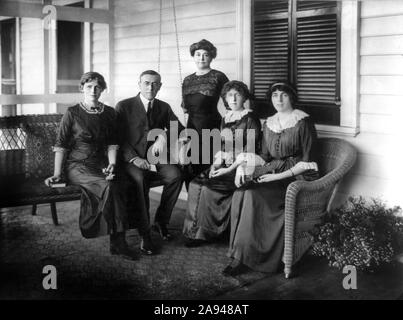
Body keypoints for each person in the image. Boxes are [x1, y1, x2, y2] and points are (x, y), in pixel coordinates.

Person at [224, 82, 319, 277]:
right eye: (275, 95)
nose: (279, 99)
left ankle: (251, 258)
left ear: (291, 97)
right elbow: (265, 157)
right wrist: (243, 165)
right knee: (241, 192)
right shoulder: (269, 122)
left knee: (252, 196)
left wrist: (276, 176)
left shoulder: (303, 122)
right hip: (273, 171)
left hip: (296, 177)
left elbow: (309, 161)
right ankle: (239, 254)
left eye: (283, 95)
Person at [44, 71, 137, 260]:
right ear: (82, 88)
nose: (93, 90)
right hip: (78, 166)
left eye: (97, 87)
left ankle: (120, 240)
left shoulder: (110, 113)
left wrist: (112, 164)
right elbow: (61, 145)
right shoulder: (72, 113)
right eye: (89, 86)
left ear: (102, 89)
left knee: (122, 183)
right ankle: (119, 242)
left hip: (102, 164)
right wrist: (56, 173)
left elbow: (112, 143)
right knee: (109, 186)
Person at [182, 81, 261, 247]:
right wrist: (215, 165)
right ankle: (195, 232)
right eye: (229, 95)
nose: (233, 98)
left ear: (244, 97)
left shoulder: (251, 119)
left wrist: (227, 167)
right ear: (225, 97)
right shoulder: (226, 118)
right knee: (196, 183)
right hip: (226, 164)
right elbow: (223, 146)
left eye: (237, 94)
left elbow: (251, 150)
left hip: (242, 166)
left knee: (208, 188)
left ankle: (210, 232)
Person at [116, 70, 184, 255]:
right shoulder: (124, 106)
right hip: (131, 158)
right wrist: (134, 158)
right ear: (139, 84)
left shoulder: (163, 106)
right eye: (146, 83)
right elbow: (118, 138)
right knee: (140, 180)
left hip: (155, 155)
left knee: (175, 175)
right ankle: (145, 233)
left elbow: (179, 127)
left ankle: (160, 222)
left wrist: (163, 137)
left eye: (155, 84)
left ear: (160, 86)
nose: (150, 87)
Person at [181, 39, 229, 184]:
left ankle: (206, 205)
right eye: (198, 54)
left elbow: (230, 102)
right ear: (193, 56)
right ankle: (192, 204)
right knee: (190, 167)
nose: (201, 58)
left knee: (208, 167)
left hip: (211, 125)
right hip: (192, 127)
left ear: (211, 57)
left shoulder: (218, 76)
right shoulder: (188, 79)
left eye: (205, 54)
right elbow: (185, 106)